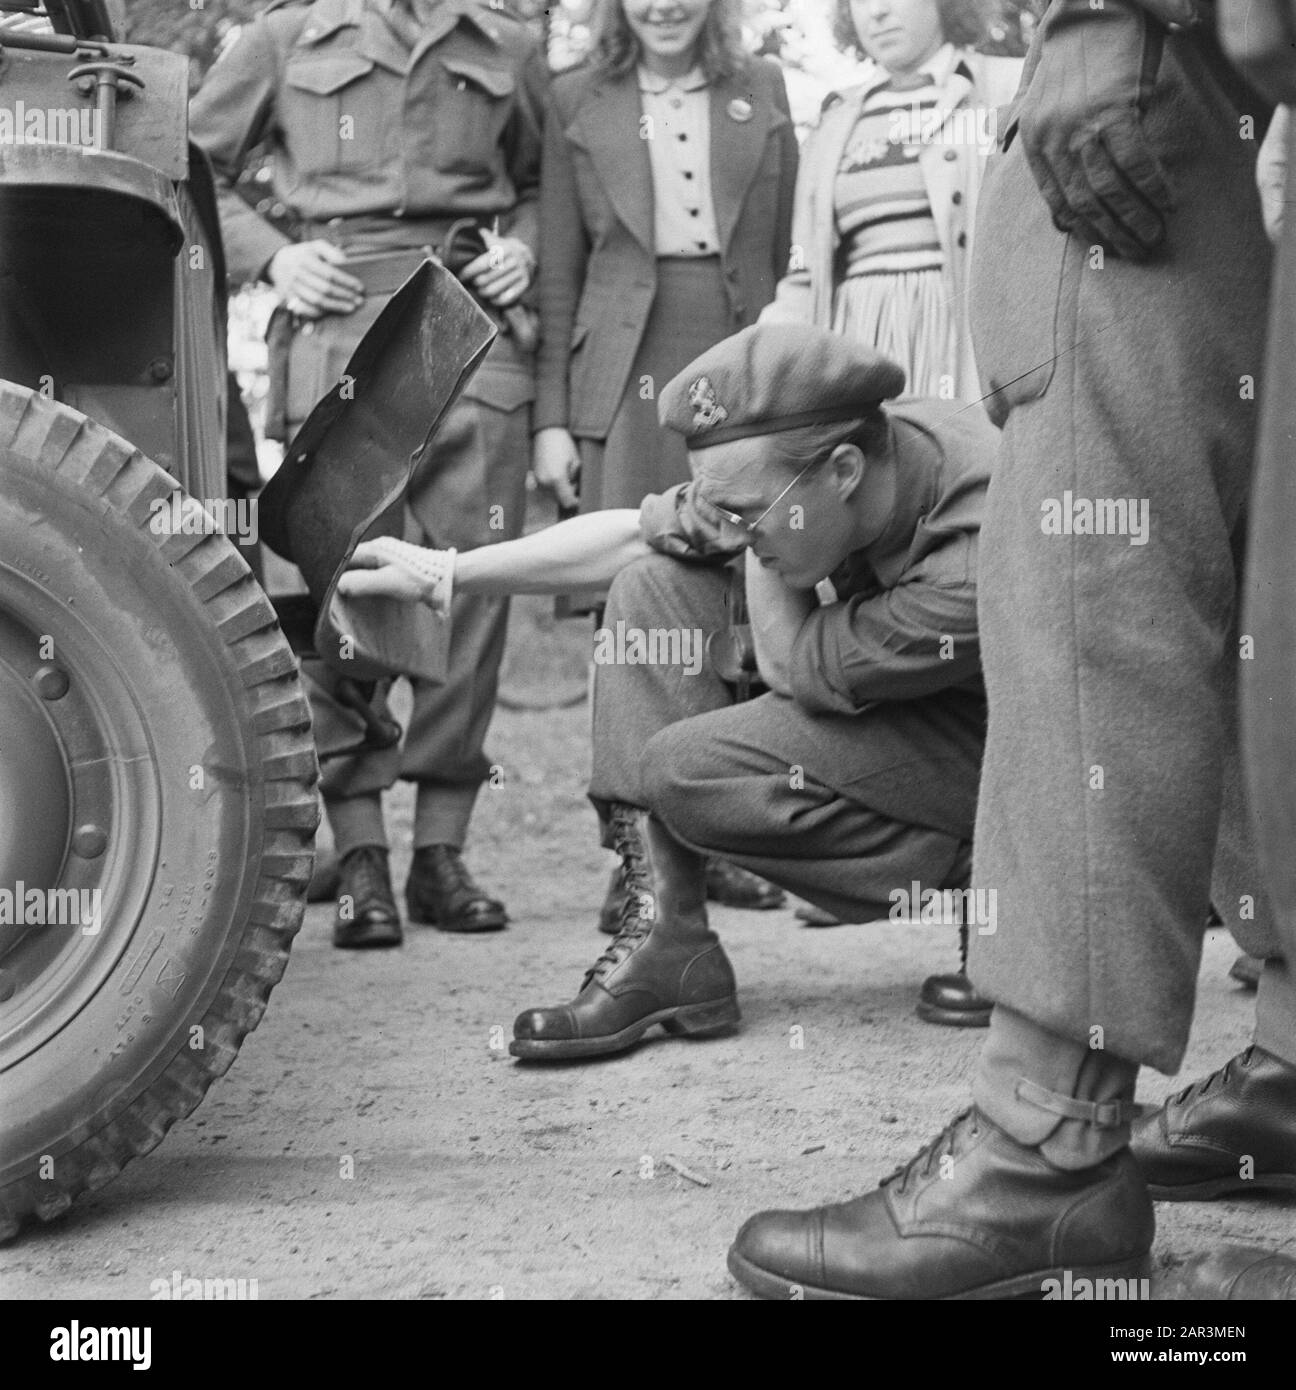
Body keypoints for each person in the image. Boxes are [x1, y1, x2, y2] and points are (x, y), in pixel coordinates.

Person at [722, 0, 1294, 1301]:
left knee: (1103, 556)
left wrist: (1104, 12)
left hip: (1191, 56)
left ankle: (1048, 1143)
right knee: (1272, 561)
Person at [340, 323, 1001, 1058]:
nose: (737, 525)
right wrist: (447, 573)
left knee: (689, 769)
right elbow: (637, 534)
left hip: (1021, 772)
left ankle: (1006, 888)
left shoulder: (974, 546)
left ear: (844, 470)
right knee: (651, 587)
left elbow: (792, 667)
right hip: (923, 716)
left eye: (749, 511)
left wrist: (756, 548)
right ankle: (669, 944)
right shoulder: (810, 462)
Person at [190, 0, 549, 950]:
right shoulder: (281, 40)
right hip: (340, 323)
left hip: (467, 325)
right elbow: (185, 168)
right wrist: (275, 255)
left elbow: (547, 184)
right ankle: (359, 855)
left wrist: (527, 246)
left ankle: (441, 851)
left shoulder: (507, 43)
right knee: (339, 582)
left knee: (471, 589)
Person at [530, 0, 800, 927]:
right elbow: (559, 272)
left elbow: (792, 249)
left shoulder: (760, 87)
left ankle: (723, 841)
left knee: (747, 603)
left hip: (738, 354)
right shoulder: (574, 96)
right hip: (624, 367)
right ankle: (638, 857)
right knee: (636, 607)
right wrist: (553, 422)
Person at [761, 0, 1021, 406]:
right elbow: (805, 273)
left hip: (967, 347)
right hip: (860, 346)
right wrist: (765, 347)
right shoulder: (836, 119)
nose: (876, 12)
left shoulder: (1008, 86)